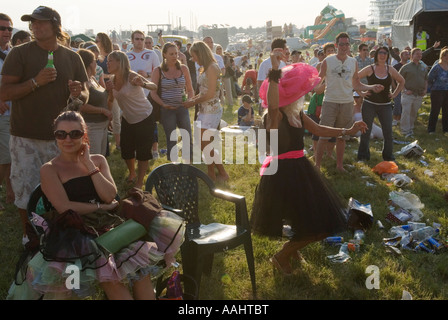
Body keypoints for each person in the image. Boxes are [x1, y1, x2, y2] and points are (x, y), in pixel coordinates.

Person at [7, 110, 183, 300]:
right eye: (61, 134)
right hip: (74, 231)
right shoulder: (50, 169)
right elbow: (65, 208)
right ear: (55, 136)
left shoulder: (98, 160)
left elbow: (108, 196)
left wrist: (89, 164)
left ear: (84, 135)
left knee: (141, 272)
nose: (68, 139)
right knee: (108, 275)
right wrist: (100, 208)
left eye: (75, 134)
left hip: (108, 225)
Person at [251, 49, 367, 275]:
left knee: (308, 218)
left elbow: (320, 129)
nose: (299, 94)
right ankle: (282, 255)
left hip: (300, 169)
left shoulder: (297, 114)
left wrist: (348, 130)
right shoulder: (275, 116)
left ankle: (292, 250)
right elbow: (273, 105)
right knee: (317, 224)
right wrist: (275, 72)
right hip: (283, 174)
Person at [0, 6, 89, 245]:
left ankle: (61, 235)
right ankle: (29, 238)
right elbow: (5, 91)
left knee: (64, 190)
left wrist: (79, 93)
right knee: (25, 190)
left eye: (40, 23)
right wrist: (35, 82)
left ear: (55, 26)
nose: (35, 27)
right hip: (25, 136)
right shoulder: (18, 54)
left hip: (62, 140)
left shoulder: (72, 57)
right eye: (32, 23)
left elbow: (86, 93)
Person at [314, 32, 384, 172]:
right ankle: (317, 166)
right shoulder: (328, 61)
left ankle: (339, 165)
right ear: (336, 45)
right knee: (323, 135)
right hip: (330, 102)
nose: (344, 47)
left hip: (347, 103)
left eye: (347, 44)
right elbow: (317, 80)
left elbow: (356, 83)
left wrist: (371, 87)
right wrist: (312, 87)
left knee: (342, 136)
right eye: (341, 44)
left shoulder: (353, 62)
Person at [105, 50, 156, 189]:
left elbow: (154, 86)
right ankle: (132, 173)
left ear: (119, 62)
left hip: (144, 116)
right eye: (107, 60)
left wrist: (142, 83)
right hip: (128, 118)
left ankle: (139, 182)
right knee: (126, 150)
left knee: (143, 151)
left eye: (110, 60)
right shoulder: (112, 79)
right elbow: (111, 99)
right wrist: (109, 91)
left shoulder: (131, 76)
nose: (107, 63)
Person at [183, 41, 229, 182]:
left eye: (194, 55)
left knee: (205, 144)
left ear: (200, 53)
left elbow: (211, 94)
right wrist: (193, 99)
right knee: (204, 144)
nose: (192, 59)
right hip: (204, 110)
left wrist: (193, 102)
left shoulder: (212, 68)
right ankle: (219, 173)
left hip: (212, 110)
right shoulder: (205, 68)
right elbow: (203, 90)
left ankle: (214, 175)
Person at [357, 47, 405, 162]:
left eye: (385, 53)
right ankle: (363, 156)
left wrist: (394, 94)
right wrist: (361, 93)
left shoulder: (390, 69)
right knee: (366, 131)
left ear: (388, 56)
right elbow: (354, 79)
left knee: (388, 132)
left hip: (385, 105)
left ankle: (388, 156)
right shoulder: (370, 69)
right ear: (376, 55)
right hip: (369, 104)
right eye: (380, 53)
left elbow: (402, 81)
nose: (383, 55)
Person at [150, 42, 194, 162]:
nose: (175, 56)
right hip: (167, 109)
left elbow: (190, 90)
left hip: (182, 107)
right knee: (172, 137)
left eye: (176, 53)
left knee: (187, 135)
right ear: (164, 55)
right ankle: (173, 163)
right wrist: (163, 104)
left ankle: (188, 162)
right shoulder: (158, 71)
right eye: (171, 54)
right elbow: (153, 93)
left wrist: (189, 101)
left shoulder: (183, 68)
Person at [126, 30, 160, 159]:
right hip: (132, 95)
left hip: (148, 93)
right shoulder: (127, 55)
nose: (139, 41)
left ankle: (155, 149)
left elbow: (158, 73)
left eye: (141, 39)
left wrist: (147, 75)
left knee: (151, 122)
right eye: (137, 39)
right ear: (132, 40)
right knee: (134, 123)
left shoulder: (151, 54)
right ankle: (136, 148)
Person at [77, 49, 112, 156]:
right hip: (92, 126)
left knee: (101, 158)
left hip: (102, 125)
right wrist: (102, 111)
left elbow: (103, 97)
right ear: (88, 64)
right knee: (94, 160)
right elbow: (81, 106)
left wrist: (109, 91)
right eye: (94, 61)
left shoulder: (92, 79)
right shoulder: (83, 82)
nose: (97, 64)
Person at [96, 32, 121, 150]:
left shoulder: (110, 56)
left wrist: (104, 76)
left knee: (115, 116)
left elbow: (116, 72)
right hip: (99, 92)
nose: (96, 43)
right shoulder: (95, 58)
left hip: (112, 90)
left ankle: (119, 144)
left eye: (97, 41)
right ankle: (104, 143)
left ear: (103, 42)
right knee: (103, 118)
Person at [0, 13, 14, 212]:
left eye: (9, 28)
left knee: (8, 156)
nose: (6, 32)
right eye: (2, 28)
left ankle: (10, 190)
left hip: (11, 114)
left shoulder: (14, 54)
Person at [399, 48, 429, 138]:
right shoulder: (406, 67)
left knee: (413, 112)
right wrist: (404, 90)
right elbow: (399, 79)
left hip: (419, 94)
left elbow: (426, 79)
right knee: (406, 112)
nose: (419, 56)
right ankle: (404, 131)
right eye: (417, 54)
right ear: (412, 55)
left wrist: (425, 90)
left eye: (420, 54)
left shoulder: (423, 67)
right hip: (408, 94)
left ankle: (410, 129)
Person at [427, 47, 448, 135]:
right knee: (435, 111)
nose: (447, 57)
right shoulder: (437, 67)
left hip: (447, 91)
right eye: (445, 55)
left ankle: (446, 129)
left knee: (446, 111)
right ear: (442, 56)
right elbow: (429, 78)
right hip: (437, 91)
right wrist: (432, 88)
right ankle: (431, 130)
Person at [391, 50, 410, 126]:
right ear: (401, 56)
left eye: (408, 54)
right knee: (397, 105)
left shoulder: (409, 66)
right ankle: (395, 119)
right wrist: (395, 87)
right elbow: (391, 78)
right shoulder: (396, 66)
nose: (408, 55)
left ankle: (402, 119)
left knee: (404, 105)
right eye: (406, 54)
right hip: (397, 89)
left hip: (406, 89)